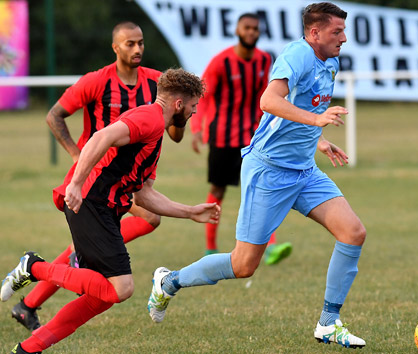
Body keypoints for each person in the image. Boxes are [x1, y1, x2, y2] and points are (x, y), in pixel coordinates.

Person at [147, 2, 366, 349]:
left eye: (343, 31)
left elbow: (305, 109)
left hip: (304, 172)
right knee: (244, 264)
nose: (344, 38)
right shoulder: (297, 54)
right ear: (314, 33)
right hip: (269, 171)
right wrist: (316, 122)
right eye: (336, 31)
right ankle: (169, 282)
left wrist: (318, 140)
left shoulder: (332, 62)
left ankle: (328, 322)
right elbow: (269, 100)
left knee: (353, 233)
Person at [1, 68, 220, 354]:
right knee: (121, 288)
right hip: (92, 203)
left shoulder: (156, 133)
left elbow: (143, 195)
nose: (193, 113)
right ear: (179, 104)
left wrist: (190, 212)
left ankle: (29, 348)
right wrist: (77, 184)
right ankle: (33, 267)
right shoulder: (149, 119)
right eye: (193, 106)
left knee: (100, 296)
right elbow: (100, 137)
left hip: (104, 208)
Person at [10, 21, 173, 332]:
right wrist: (76, 156)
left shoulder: (154, 82)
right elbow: (54, 114)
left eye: (141, 43)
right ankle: (39, 285)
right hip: (93, 181)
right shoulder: (97, 81)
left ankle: (30, 301)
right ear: (115, 47)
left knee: (93, 244)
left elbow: (173, 130)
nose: (137, 49)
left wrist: (180, 115)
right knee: (149, 218)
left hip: (124, 182)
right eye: (130, 44)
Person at [190, 13, 292, 264]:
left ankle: (271, 247)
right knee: (218, 190)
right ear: (237, 30)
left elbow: (265, 96)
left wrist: (271, 126)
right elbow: (202, 95)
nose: (251, 32)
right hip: (222, 138)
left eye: (255, 29)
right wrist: (196, 128)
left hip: (251, 136)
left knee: (261, 186)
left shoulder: (263, 60)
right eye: (247, 28)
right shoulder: (221, 62)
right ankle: (210, 248)